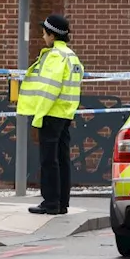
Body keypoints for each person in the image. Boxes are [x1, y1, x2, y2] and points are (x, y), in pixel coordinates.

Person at [15, 15, 84, 215]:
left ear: (52, 35)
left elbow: (49, 91)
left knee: (48, 160)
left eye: (45, 33)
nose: (43, 36)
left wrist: (37, 119)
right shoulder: (72, 56)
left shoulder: (55, 56)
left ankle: (50, 202)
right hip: (65, 114)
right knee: (62, 158)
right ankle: (62, 203)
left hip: (50, 114)